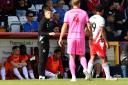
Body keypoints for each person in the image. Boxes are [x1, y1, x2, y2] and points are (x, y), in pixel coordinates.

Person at [58, 0, 92, 82]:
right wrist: (90, 35)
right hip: (80, 37)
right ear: (79, 4)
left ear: (71, 4)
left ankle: (73, 77)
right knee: (82, 56)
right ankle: (85, 69)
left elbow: (64, 26)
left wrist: (60, 37)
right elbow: (89, 25)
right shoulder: (84, 13)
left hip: (71, 37)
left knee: (72, 57)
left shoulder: (68, 13)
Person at [87, 5, 117, 80]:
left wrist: (90, 37)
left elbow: (87, 29)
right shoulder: (101, 19)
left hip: (92, 40)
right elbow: (102, 31)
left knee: (92, 57)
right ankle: (108, 76)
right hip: (99, 40)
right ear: (102, 11)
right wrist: (106, 41)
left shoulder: (91, 18)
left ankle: (87, 74)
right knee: (104, 58)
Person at [38, 7, 56, 80]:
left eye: (50, 13)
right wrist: (49, 33)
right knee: (42, 60)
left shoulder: (49, 21)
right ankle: (41, 75)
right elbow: (40, 32)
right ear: (45, 13)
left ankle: (43, 75)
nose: (50, 14)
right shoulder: (43, 21)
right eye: (48, 13)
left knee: (45, 59)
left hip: (46, 41)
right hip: (42, 42)